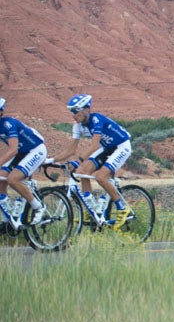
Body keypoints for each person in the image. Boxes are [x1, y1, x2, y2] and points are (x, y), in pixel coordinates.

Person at [56, 94, 134, 229]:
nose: (73, 115)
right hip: (107, 147)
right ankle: (90, 209)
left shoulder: (96, 119)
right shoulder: (78, 125)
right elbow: (72, 149)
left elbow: (94, 146)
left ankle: (122, 208)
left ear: (86, 109)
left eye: (76, 111)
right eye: (71, 112)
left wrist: (79, 160)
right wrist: (53, 160)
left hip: (121, 146)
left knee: (100, 177)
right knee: (81, 172)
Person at [0, 97, 50, 228]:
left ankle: (39, 207)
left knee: (12, 179)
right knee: (1, 178)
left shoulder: (8, 124)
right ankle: (7, 219)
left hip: (35, 149)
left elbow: (13, 149)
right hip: (22, 152)